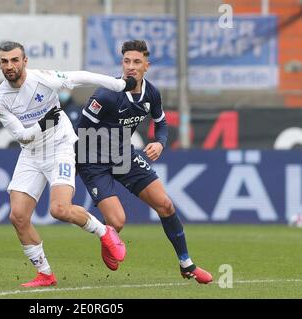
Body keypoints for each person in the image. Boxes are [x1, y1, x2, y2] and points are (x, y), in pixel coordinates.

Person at [0, 41, 137, 287]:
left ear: (25, 61)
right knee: (18, 216)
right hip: (31, 153)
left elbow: (82, 77)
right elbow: (22, 136)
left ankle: (105, 232)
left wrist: (121, 85)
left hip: (60, 147)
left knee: (59, 209)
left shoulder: (44, 79)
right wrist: (44, 123)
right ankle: (45, 274)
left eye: (15, 60)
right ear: (0, 64)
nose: (10, 66)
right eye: (4, 61)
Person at [75, 40, 213, 284]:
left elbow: (160, 122)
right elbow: (81, 130)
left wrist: (160, 142)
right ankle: (107, 235)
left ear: (146, 66)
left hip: (123, 155)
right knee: (117, 222)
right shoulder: (107, 93)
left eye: (136, 62)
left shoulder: (152, 92)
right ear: (122, 64)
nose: (131, 66)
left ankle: (186, 264)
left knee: (166, 205)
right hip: (93, 161)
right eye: (127, 61)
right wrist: (79, 165)